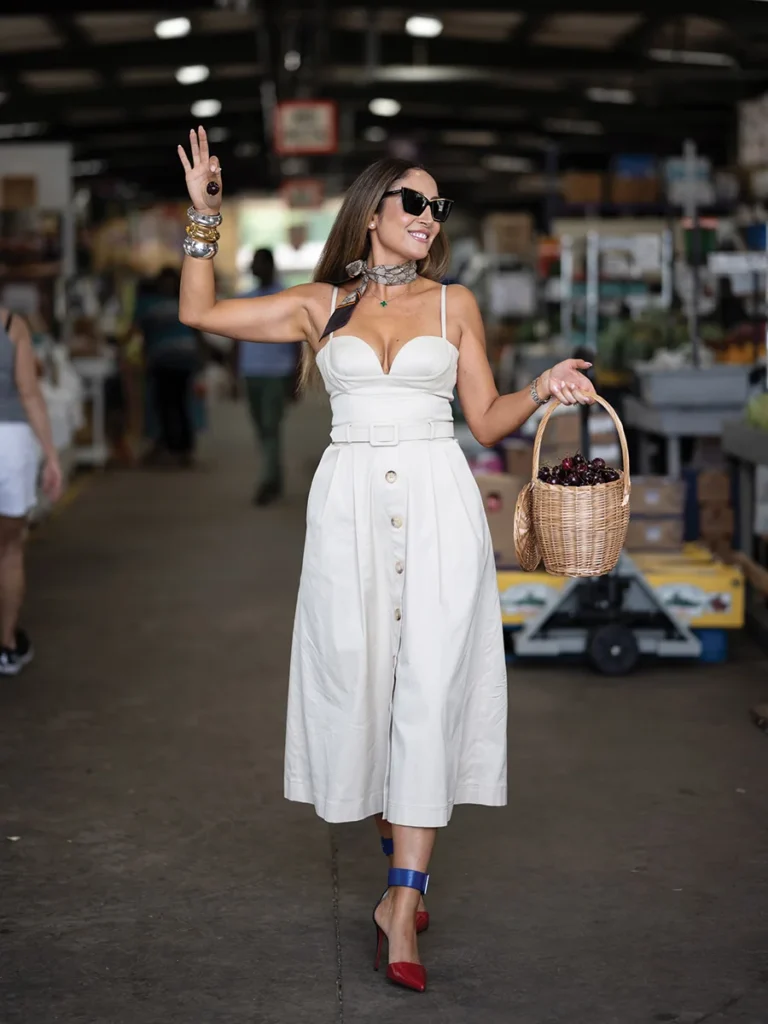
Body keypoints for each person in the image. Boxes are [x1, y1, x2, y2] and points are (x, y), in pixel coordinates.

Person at [177, 129, 595, 993]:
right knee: (366, 690)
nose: (429, 217)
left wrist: (544, 386)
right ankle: (396, 876)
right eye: (415, 201)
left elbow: (483, 422)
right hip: (349, 514)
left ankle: (402, 904)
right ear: (373, 211)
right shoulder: (319, 305)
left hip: (442, 508)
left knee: (431, 690)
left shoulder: (458, 307)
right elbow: (199, 313)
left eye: (438, 207)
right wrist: (203, 219)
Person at [0, 309, 62, 675]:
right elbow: (30, 393)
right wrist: (51, 456)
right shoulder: (11, 324)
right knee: (8, 550)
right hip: (10, 445)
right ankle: (6, 645)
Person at [237, 249, 301, 505]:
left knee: (270, 427)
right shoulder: (245, 299)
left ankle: (268, 481)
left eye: (260, 264)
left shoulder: (286, 298)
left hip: (277, 372)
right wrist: (234, 375)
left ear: (270, 267)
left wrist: (296, 378)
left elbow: (297, 340)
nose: (256, 268)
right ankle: (274, 477)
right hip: (251, 372)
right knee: (262, 428)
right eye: (254, 264)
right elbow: (236, 339)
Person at [136, 267, 200, 467]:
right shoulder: (153, 305)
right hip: (164, 359)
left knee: (174, 404)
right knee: (169, 404)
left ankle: (179, 448)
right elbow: (143, 334)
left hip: (178, 360)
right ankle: (177, 448)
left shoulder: (180, 301)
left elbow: (197, 331)